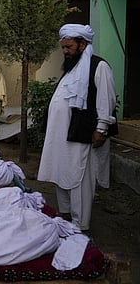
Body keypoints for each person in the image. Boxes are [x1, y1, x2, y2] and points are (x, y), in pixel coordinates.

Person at [37, 24, 117, 233]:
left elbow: (105, 100)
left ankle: (80, 224)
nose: (65, 51)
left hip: (82, 133)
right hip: (61, 136)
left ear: (83, 44)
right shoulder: (72, 69)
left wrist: (101, 128)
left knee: (79, 177)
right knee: (61, 172)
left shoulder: (99, 67)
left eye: (69, 47)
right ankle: (65, 214)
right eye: (63, 47)